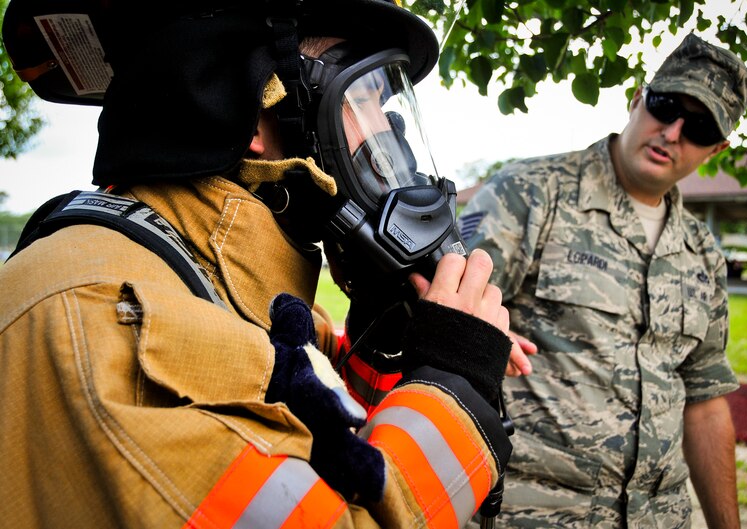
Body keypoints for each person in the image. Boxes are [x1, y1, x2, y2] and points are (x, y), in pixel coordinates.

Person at [0, 0, 525, 527]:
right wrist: (454, 389)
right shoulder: (113, 318)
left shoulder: (225, 291)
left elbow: (335, 442)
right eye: (362, 98)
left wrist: (392, 336)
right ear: (257, 106)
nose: (390, 136)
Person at [460, 33, 747, 528]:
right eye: (665, 107)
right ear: (637, 99)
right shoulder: (532, 194)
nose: (672, 132)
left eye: (700, 126)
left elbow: (705, 400)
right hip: (533, 511)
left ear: (717, 148)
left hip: (660, 517)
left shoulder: (702, 253)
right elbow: (440, 311)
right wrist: (476, 332)